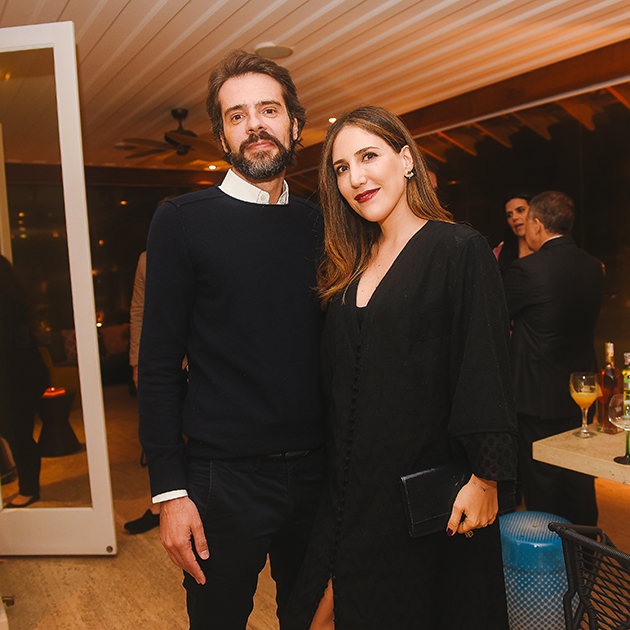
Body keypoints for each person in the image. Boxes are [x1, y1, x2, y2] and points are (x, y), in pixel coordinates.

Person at [285, 106, 517, 630]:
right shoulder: (349, 263)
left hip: (421, 497)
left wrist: (487, 479)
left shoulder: (458, 248)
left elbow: (484, 369)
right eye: (341, 168)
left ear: (407, 160)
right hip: (348, 490)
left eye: (369, 156)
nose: (356, 178)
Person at [137, 50, 324, 629]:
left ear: (295, 124)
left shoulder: (321, 223)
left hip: (319, 474)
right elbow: (159, 363)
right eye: (236, 116)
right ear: (221, 135)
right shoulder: (181, 220)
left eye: (268, 110)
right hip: (223, 480)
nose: (254, 126)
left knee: (318, 620)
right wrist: (170, 492)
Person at [503, 191, 602, 526]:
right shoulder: (593, 266)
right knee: (579, 478)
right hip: (581, 392)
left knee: (543, 483)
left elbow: (495, 314)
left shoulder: (528, 269)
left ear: (537, 224)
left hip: (537, 396)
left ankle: (553, 553)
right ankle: (586, 551)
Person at [0, 254, 49, 508]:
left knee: (18, 435)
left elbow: (9, 344)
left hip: (18, 380)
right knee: (17, 433)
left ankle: (29, 489)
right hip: (20, 377)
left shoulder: (7, 304)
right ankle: (28, 486)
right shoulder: (12, 300)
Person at [123, 250, 160, 534]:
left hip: (206, 360)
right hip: (161, 360)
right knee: (159, 434)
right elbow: (138, 310)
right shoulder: (147, 260)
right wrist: (137, 363)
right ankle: (159, 506)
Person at [493, 191, 535, 276]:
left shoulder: (549, 248)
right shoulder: (500, 253)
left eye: (520, 210)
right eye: (509, 215)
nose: (514, 217)